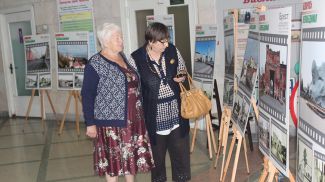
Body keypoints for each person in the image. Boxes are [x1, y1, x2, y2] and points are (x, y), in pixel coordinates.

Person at [81, 23, 154, 182]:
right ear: (105, 41)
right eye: (117, 38)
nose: (121, 41)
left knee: (131, 159)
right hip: (110, 123)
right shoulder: (95, 64)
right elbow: (87, 95)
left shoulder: (124, 57)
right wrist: (90, 123)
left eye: (121, 37)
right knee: (112, 162)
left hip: (134, 119)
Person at [131, 22, 191, 182]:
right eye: (162, 41)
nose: (166, 44)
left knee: (180, 155)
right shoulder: (136, 58)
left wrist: (181, 76)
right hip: (153, 116)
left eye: (167, 40)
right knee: (157, 159)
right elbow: (133, 88)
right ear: (151, 41)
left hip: (176, 113)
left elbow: (182, 68)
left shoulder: (172, 50)